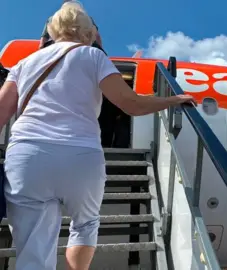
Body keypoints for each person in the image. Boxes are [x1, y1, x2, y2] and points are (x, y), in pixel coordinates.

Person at [0, 1, 196, 269]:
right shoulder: (93, 57)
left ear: (50, 32)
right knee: (85, 224)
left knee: (32, 244)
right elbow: (131, 104)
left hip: (27, 155)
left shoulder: (24, 64)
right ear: (90, 33)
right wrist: (171, 101)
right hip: (79, 155)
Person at [39, 0, 105, 55]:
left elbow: (44, 38)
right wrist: (101, 50)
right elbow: (96, 35)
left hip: (55, 47)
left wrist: (41, 52)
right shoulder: (86, 18)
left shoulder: (52, 18)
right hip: (85, 47)